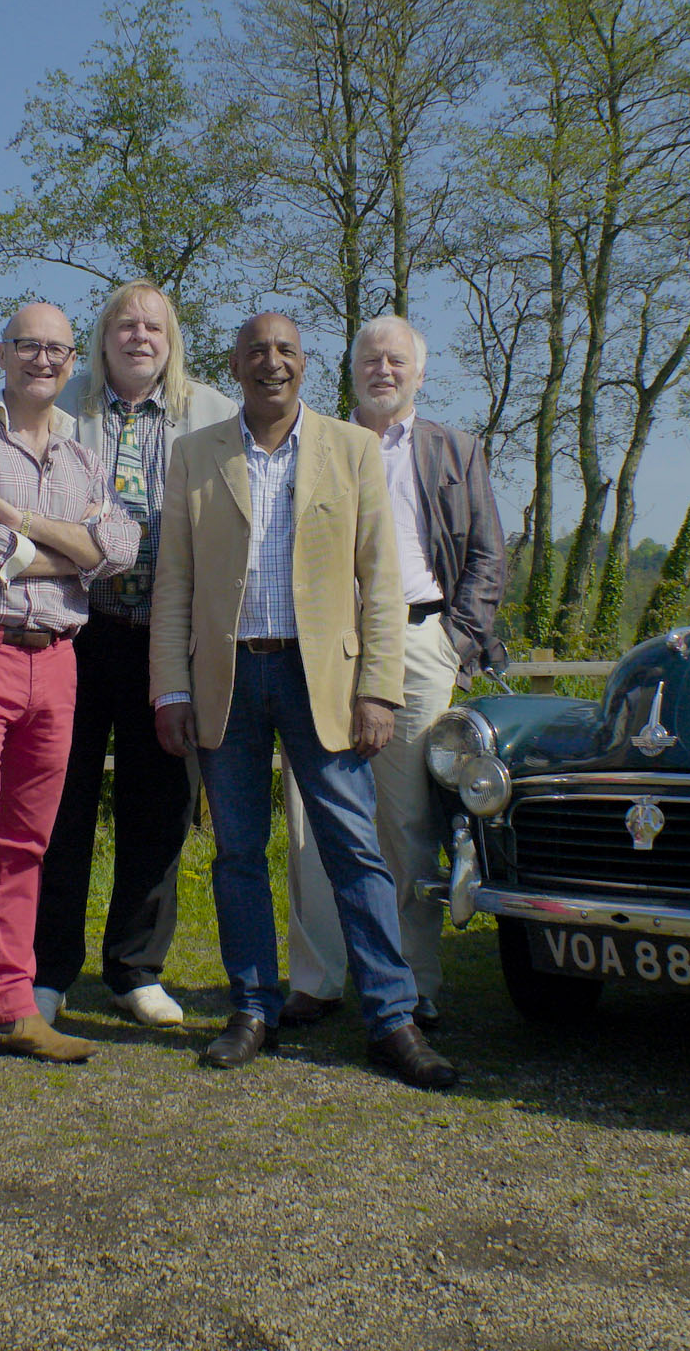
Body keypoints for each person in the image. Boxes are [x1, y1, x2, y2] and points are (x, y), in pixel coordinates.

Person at [147, 313, 457, 1090]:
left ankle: (391, 1018)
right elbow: (174, 583)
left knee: (355, 850)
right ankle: (254, 1008)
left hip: (324, 683)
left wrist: (379, 688)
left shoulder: (349, 450)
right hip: (228, 683)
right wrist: (172, 687)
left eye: (285, 351)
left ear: (305, 365)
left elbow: (380, 581)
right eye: (257, 352)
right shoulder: (195, 455)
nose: (271, 364)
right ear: (237, 364)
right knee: (239, 854)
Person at [0, 302, 140, 1114]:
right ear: (3, 353)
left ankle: (9, 1005)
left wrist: (33, 536)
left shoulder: (84, 457)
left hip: (57, 665)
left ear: (71, 359)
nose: (42, 359)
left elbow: (121, 548)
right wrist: (69, 553)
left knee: (26, 845)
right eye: (28, 345)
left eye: (56, 348)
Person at [279, 316, 508, 1029]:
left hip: (417, 641)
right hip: (316, 646)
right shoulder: (307, 443)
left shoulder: (455, 450)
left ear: (420, 372)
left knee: (406, 820)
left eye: (397, 360)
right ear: (349, 371)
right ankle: (318, 980)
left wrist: (455, 640)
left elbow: (488, 557)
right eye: (371, 359)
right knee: (310, 819)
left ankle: (411, 983)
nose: (384, 369)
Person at [33, 282, 237, 1028]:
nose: (140, 336)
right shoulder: (63, 410)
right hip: (78, 633)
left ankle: (135, 969)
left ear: (172, 338)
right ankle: (47, 969)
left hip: (169, 641)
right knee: (62, 804)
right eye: (126, 323)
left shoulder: (214, 413)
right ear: (104, 336)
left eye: (154, 325)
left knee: (159, 809)